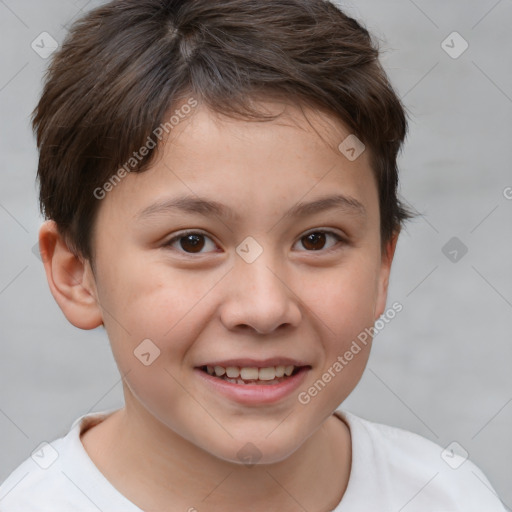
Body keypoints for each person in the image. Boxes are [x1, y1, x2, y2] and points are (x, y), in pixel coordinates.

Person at [0, 0, 506, 510]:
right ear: (75, 274)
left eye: (317, 239)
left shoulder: (451, 496)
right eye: (192, 242)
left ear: (381, 267)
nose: (264, 309)